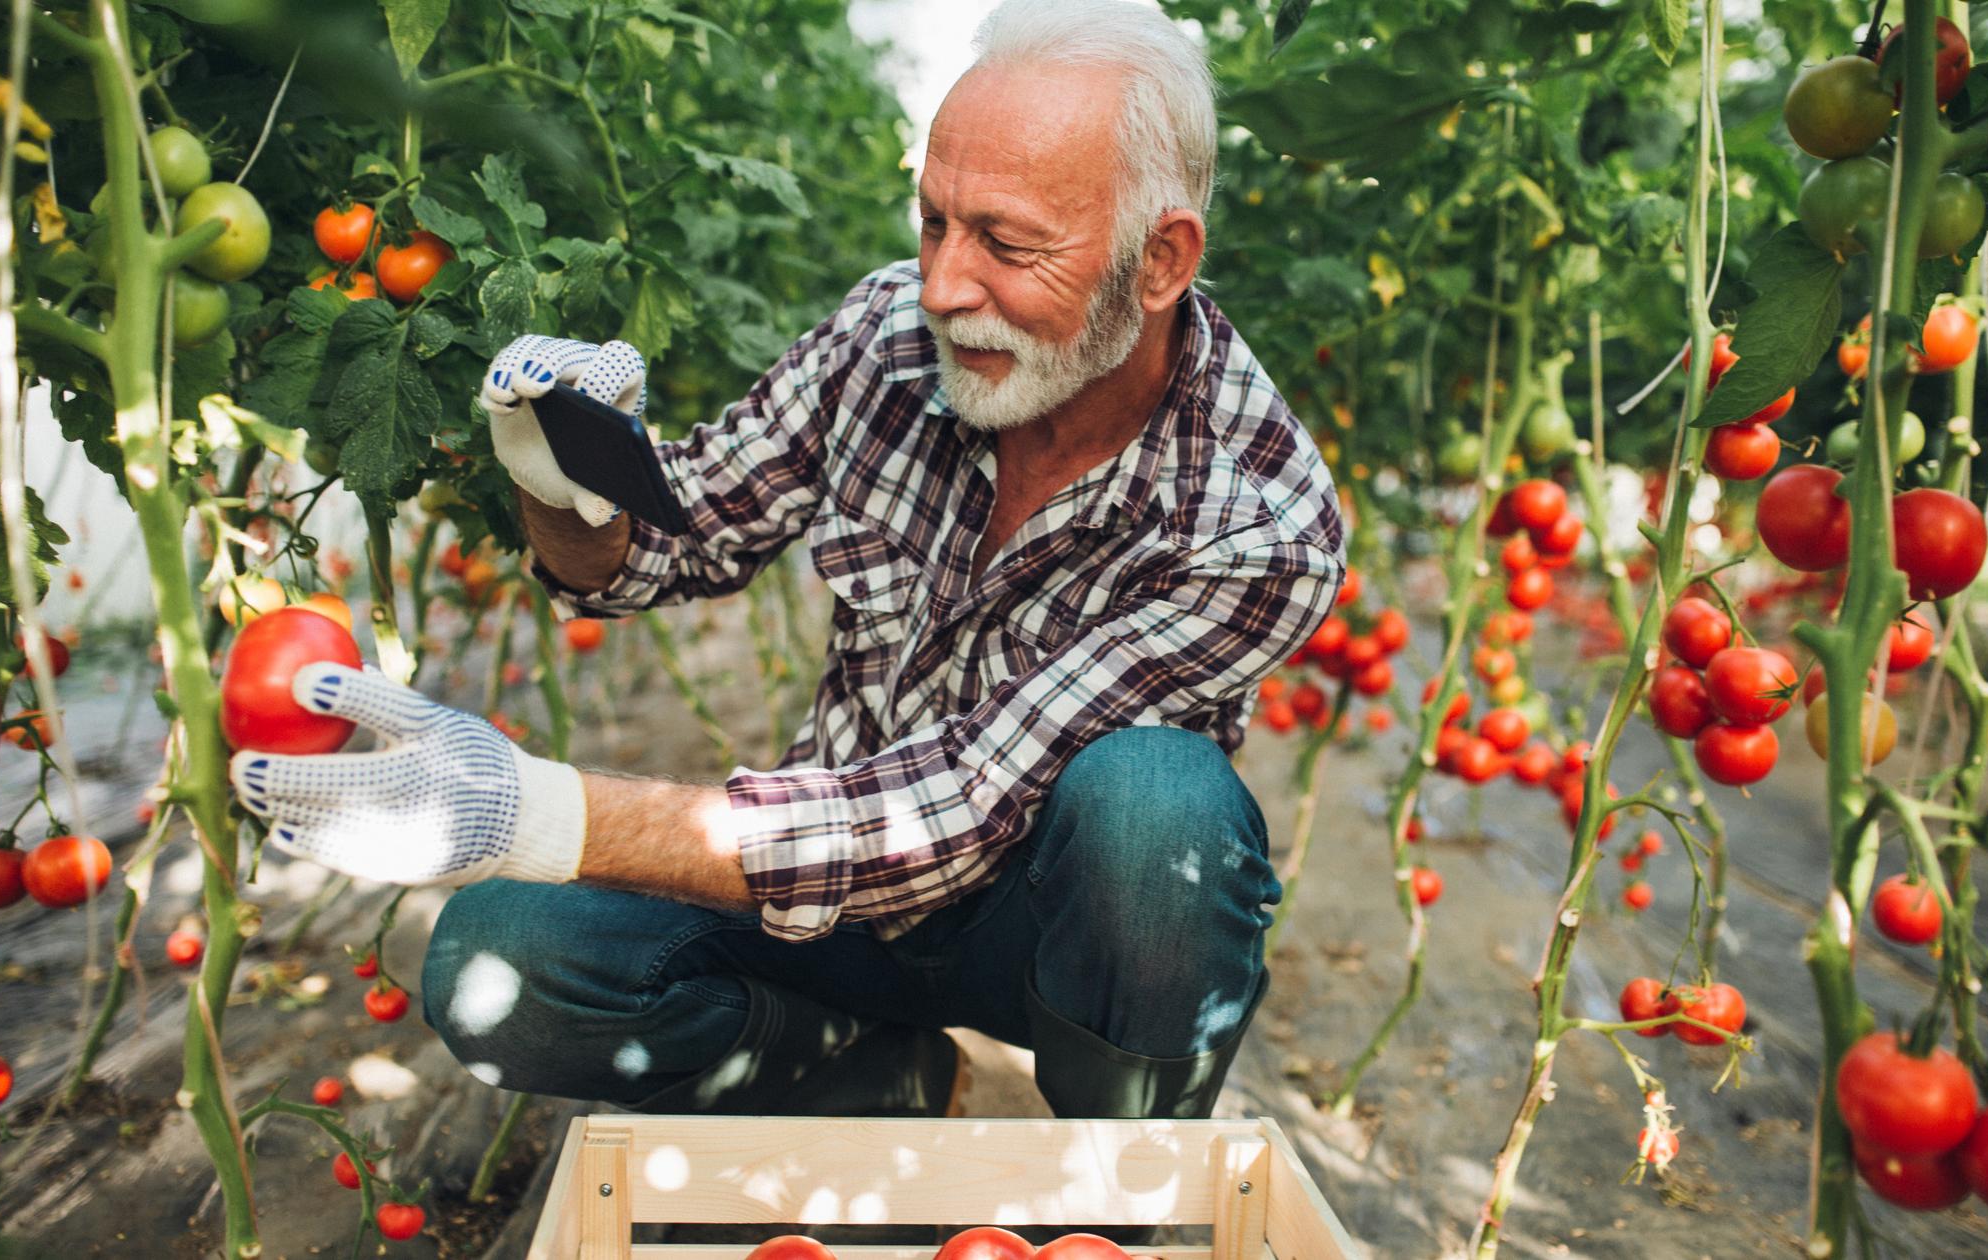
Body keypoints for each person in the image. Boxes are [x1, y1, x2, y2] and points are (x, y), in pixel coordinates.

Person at [232, 0, 1341, 1177]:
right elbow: (678, 538)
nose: (943, 286)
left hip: (1048, 936)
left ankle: (1117, 1174)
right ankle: (873, 1076)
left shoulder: (1257, 518)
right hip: (833, 899)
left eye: (1007, 247)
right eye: (931, 224)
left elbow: (959, 810)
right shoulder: (886, 335)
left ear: (1158, 259)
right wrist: (567, 479)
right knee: (499, 967)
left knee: (1156, 805)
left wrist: (537, 810)